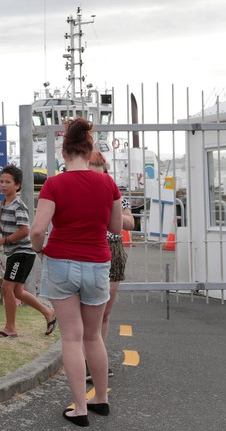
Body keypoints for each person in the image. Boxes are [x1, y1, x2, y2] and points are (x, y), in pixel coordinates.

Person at [30, 118, 122, 426]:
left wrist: (40, 249)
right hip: (97, 262)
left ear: (64, 150)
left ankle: (80, 409)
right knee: (93, 335)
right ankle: (101, 398)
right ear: (89, 148)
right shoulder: (108, 183)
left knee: (71, 337)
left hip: (61, 262)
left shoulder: (54, 184)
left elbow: (38, 229)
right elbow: (114, 227)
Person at [0, 165, 57, 338]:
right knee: (17, 291)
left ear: (17, 186)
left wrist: (3, 240)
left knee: (6, 287)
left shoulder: (19, 206)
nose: (3, 185)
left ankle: (10, 328)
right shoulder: (2, 203)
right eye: (1, 181)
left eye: (8, 182)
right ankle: (48, 312)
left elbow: (25, 230)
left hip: (22, 253)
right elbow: (11, 228)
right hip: (14, 253)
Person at [87, 150, 135, 382]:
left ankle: (99, 360)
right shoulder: (79, 191)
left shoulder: (116, 193)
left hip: (112, 249)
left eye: (100, 174)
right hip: (87, 248)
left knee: (105, 310)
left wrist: (110, 212)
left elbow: (130, 222)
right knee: (84, 310)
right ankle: (86, 358)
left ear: (106, 172)